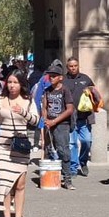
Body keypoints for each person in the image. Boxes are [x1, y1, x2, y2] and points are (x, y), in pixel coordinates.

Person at [0, 70, 38, 217]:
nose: (12, 85)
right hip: (3, 146)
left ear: (22, 84)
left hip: (20, 146)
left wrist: (22, 112)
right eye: (9, 82)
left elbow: (36, 121)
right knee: (5, 183)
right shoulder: (0, 101)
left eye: (15, 82)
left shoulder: (28, 101)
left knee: (20, 184)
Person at [62, 57, 102, 178]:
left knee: (86, 141)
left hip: (84, 118)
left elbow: (96, 94)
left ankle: (83, 162)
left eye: (75, 66)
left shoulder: (85, 79)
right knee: (72, 144)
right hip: (70, 119)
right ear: (67, 67)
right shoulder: (63, 80)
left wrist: (91, 90)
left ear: (78, 66)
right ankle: (73, 168)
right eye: (71, 66)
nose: (73, 68)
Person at [40, 60, 76, 190]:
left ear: (61, 77)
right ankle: (51, 176)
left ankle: (67, 179)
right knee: (49, 149)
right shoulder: (47, 90)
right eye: (50, 76)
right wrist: (44, 119)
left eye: (54, 75)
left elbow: (70, 109)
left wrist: (54, 121)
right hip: (49, 124)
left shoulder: (65, 91)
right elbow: (44, 106)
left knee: (63, 151)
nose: (51, 78)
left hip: (62, 125)